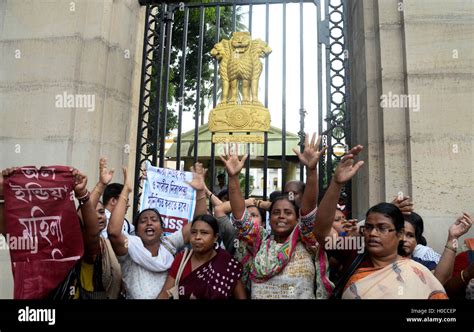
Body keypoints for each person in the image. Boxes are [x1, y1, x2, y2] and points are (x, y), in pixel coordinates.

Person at [223, 134, 333, 299]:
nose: (281, 216)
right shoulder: (259, 240)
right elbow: (240, 216)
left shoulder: (305, 239)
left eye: (288, 213)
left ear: (297, 219)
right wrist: (233, 178)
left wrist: (311, 171)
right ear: (270, 217)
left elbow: (309, 211)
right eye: (276, 212)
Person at [158, 214, 246, 299]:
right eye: (193, 232)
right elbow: (165, 294)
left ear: (215, 237)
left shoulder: (227, 263)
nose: (197, 237)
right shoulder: (182, 259)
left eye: (204, 233)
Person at [401, 212, 472, 284]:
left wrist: (453, 237)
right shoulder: (389, 263)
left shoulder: (421, 265)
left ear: (416, 241)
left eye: (410, 235)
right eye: (400, 233)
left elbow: (440, 280)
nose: (403, 239)